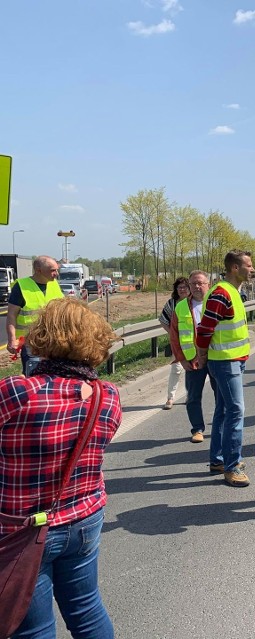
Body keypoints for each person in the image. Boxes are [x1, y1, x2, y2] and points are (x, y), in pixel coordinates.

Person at [0, 298, 121, 637]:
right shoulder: (106, 394)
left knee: (32, 627)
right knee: (86, 608)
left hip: (22, 526)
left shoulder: (17, 392)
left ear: (43, 337)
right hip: (84, 516)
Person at [195, 250, 254, 487]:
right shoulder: (221, 293)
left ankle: (218, 460)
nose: (252, 269)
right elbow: (205, 328)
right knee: (235, 411)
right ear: (235, 268)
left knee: (223, 410)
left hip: (232, 360)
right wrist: (202, 355)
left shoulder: (233, 292)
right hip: (225, 362)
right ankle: (232, 466)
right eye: (248, 265)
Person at [169, 271, 217, 443]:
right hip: (193, 360)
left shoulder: (216, 303)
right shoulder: (181, 307)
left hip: (216, 356)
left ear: (208, 284)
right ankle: (197, 429)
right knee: (193, 396)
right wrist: (181, 358)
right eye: (193, 284)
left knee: (221, 394)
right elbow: (174, 335)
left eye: (200, 283)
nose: (197, 287)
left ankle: (221, 426)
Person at [5, 255, 63, 376]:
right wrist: (12, 339)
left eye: (57, 270)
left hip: (54, 339)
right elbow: (11, 316)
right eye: (52, 270)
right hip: (31, 342)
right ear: (38, 270)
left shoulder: (54, 284)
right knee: (34, 375)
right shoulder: (21, 287)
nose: (56, 274)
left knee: (54, 376)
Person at [159, 277, 190, 410]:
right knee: (176, 369)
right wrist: (172, 334)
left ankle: (190, 395)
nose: (182, 290)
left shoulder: (194, 303)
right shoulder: (172, 304)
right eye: (179, 287)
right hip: (177, 343)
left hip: (193, 343)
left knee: (191, 370)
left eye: (184, 287)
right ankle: (170, 398)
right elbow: (163, 320)